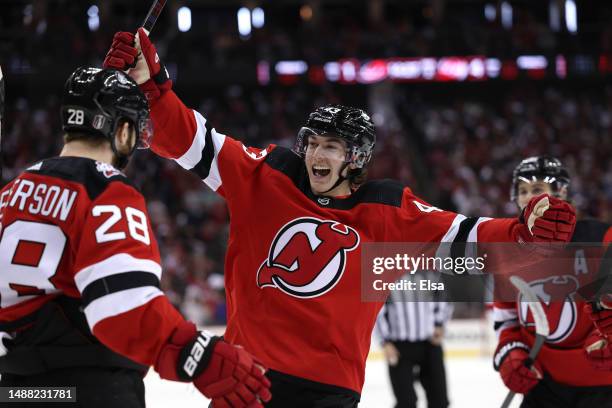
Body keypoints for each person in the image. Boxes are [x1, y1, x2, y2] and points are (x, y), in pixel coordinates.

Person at [103, 29, 576, 407]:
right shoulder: (266, 175)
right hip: (246, 378)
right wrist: (153, 85)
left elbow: (468, 238)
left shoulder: (389, 210)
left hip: (326, 391)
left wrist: (524, 231)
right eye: (313, 143)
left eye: (332, 146)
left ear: (355, 158)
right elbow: (189, 138)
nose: (316, 155)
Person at [0, 66, 271, 408]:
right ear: (124, 130)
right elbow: (122, 306)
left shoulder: (10, 192)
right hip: (89, 390)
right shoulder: (106, 190)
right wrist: (200, 355)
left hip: (16, 392)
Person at [492, 156, 612, 408]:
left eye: (537, 190)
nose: (527, 198)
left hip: (602, 388)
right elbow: (506, 322)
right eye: (522, 191)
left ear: (562, 192)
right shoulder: (506, 251)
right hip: (544, 388)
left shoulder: (601, 238)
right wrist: (510, 354)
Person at [375, 271, 452, 408]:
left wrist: (440, 324)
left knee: (439, 400)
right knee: (406, 402)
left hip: (429, 344)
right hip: (399, 347)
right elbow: (377, 310)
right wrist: (385, 342)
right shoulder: (386, 276)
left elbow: (442, 297)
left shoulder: (429, 272)